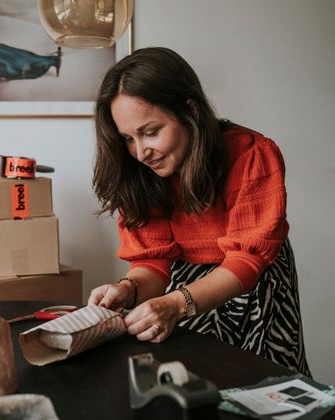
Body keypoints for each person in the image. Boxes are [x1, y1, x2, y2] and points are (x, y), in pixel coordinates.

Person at [88, 47, 311, 376]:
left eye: (151, 132)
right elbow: (152, 262)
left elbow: (245, 262)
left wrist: (176, 304)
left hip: (252, 287)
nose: (140, 152)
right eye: (128, 138)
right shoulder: (141, 172)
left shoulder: (251, 155)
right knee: (194, 385)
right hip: (182, 296)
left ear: (189, 111)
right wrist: (128, 288)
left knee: (264, 390)